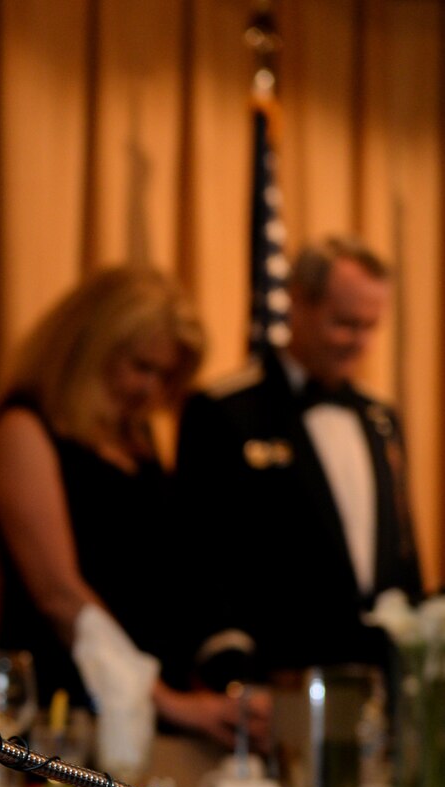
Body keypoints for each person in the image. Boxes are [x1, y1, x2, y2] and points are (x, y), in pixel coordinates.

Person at [0, 265, 266, 765]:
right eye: (140, 366)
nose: (149, 390)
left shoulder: (138, 442)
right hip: (68, 715)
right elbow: (59, 596)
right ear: (90, 346)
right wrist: (170, 701)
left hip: (147, 714)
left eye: (165, 377)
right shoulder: (26, 428)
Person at [173, 235, 424, 683]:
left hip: (377, 677)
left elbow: (400, 554)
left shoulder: (380, 417)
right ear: (297, 304)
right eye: (345, 323)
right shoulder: (225, 412)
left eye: (371, 327)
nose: (359, 342)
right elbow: (199, 557)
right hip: (276, 678)